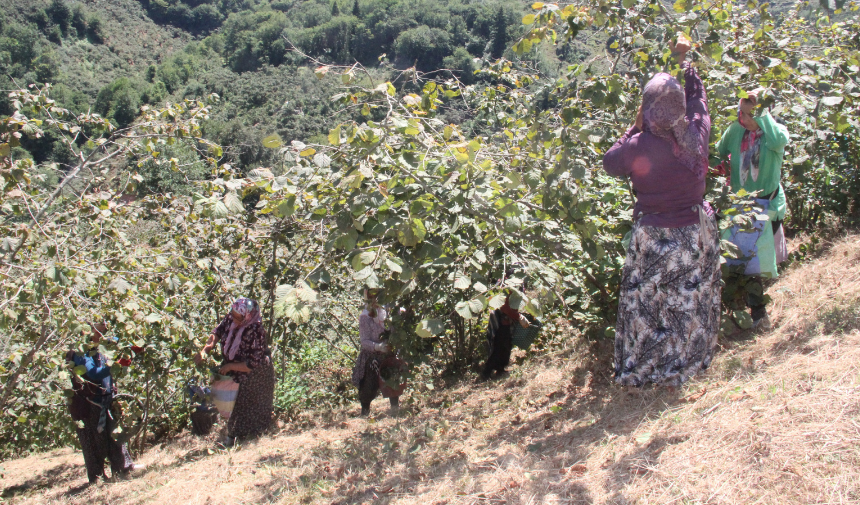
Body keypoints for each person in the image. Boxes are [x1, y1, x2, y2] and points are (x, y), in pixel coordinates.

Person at [602, 34, 721, 387]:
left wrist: (633, 126)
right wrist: (686, 63)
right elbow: (699, 99)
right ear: (678, 106)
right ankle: (689, 362)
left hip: (653, 238)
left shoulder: (637, 146)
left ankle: (648, 369)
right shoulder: (695, 134)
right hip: (694, 232)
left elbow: (610, 163)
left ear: (648, 106)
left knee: (650, 306)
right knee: (690, 301)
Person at [716, 90, 790, 329]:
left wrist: (760, 114)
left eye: (749, 110)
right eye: (742, 109)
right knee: (744, 263)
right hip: (742, 206)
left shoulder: (773, 132)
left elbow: (779, 141)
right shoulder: (735, 130)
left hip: (767, 205)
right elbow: (716, 154)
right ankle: (752, 312)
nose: (743, 115)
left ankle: (758, 313)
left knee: (754, 264)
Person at [66, 322, 141, 483]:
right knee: (92, 441)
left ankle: (123, 469)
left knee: (115, 434)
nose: (104, 332)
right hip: (87, 404)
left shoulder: (104, 342)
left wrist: (134, 347)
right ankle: (97, 477)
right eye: (100, 329)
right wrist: (117, 363)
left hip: (105, 397)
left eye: (104, 329)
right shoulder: (80, 351)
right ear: (88, 330)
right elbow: (93, 373)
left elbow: (123, 343)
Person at [195, 297, 275, 445]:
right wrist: (205, 350)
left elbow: (252, 363)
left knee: (249, 405)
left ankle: (247, 437)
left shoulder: (256, 330)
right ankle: (234, 436)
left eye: (238, 318)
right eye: (232, 315)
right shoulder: (231, 317)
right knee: (234, 403)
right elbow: (217, 332)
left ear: (247, 317)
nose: (233, 319)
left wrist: (230, 367)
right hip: (236, 370)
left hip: (256, 374)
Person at [351, 288, 405, 417]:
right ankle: (365, 412)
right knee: (369, 383)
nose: (375, 301)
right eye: (372, 299)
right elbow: (364, 341)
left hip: (389, 353)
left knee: (392, 377)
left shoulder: (390, 312)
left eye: (378, 298)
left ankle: (394, 409)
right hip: (372, 355)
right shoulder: (365, 317)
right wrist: (378, 347)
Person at [482, 292, 529, 380]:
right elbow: (504, 307)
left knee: (506, 346)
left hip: (508, 321)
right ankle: (486, 373)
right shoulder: (507, 287)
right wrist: (518, 316)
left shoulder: (518, 286)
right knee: (498, 347)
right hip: (501, 321)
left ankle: (500, 369)